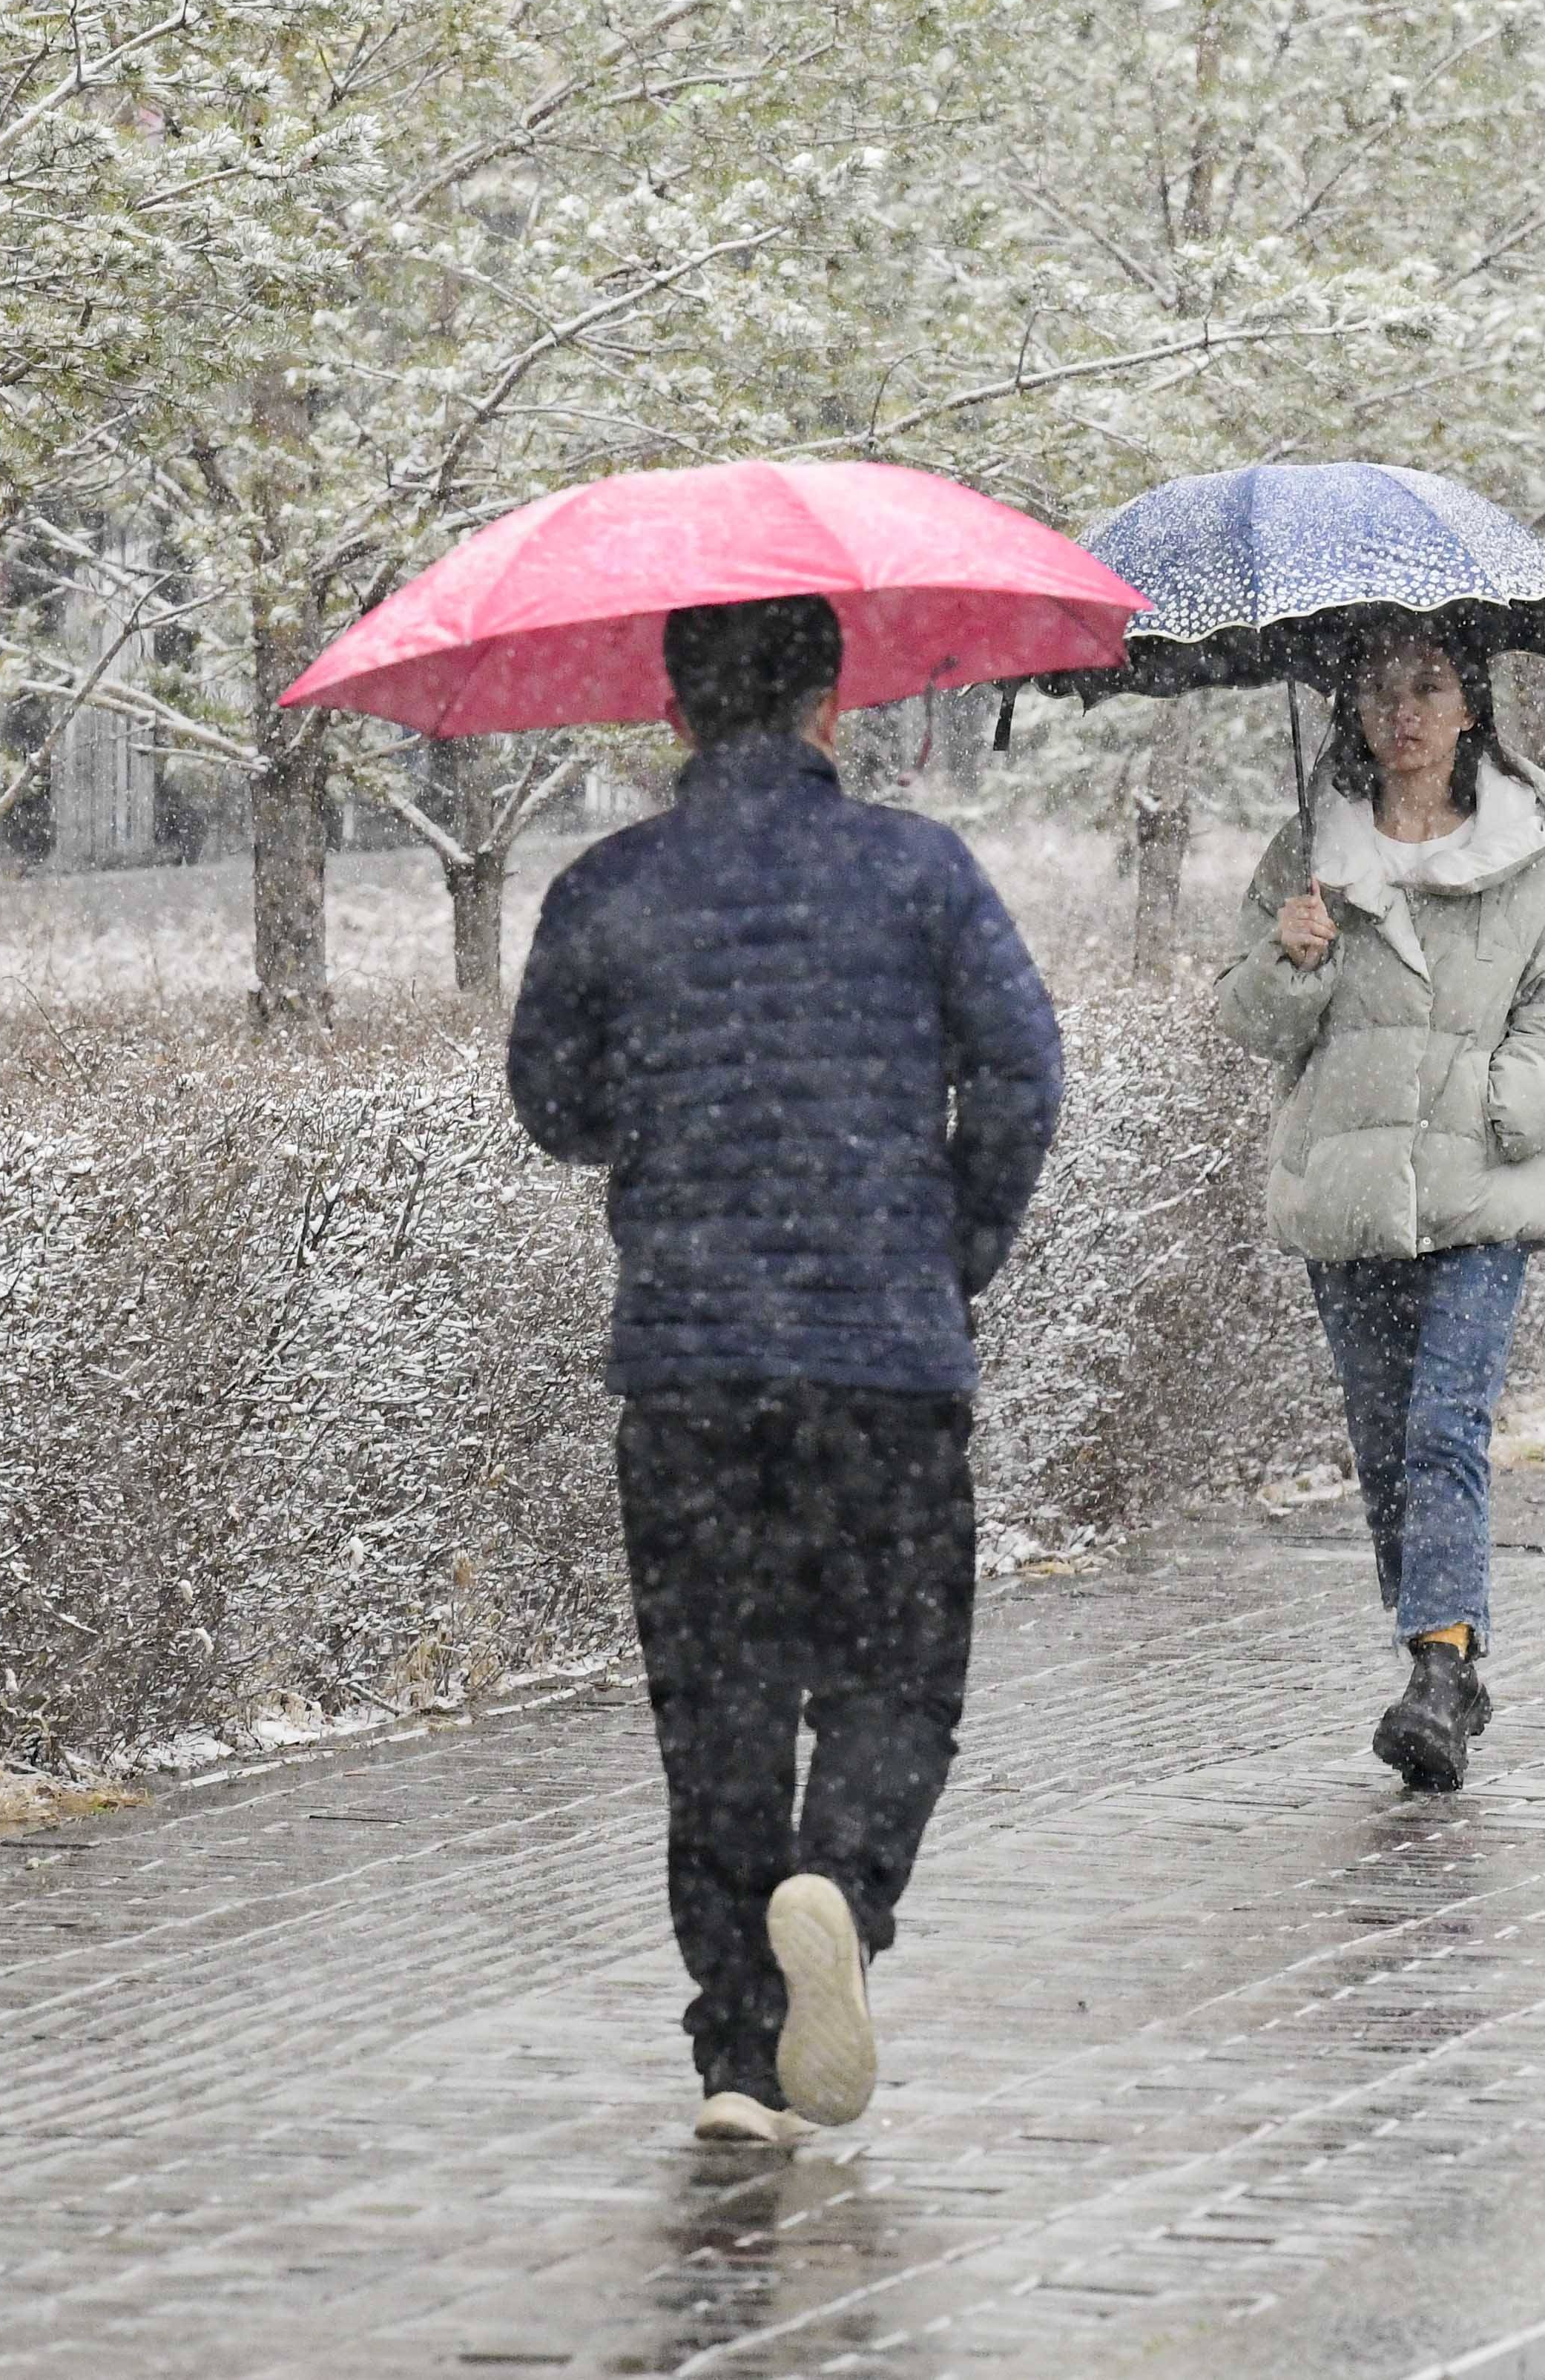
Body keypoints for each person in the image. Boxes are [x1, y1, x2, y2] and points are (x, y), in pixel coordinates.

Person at [506, 593, 1065, 2146]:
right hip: (881, 1358)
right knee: (897, 1675)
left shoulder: (607, 888)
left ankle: (741, 2058)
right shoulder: (921, 874)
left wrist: (675, 1111)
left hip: (687, 1369)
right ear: (834, 708)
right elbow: (1024, 1066)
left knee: (719, 1710)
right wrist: (954, 1236)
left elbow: (550, 1099)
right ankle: (846, 1879)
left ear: (675, 714)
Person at [1213, 625, 1545, 1794]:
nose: (1406, 711)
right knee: (1388, 1441)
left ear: (1470, 708)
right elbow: (1254, 1022)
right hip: (1347, 1193)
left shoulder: (1535, 847)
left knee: (1447, 1423)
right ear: (1355, 708)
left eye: (1430, 687)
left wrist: (1502, 1108)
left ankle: (1440, 1669)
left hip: (1480, 1187)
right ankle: (1442, 1657)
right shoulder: (1311, 850)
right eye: (1384, 689)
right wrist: (1291, 960)